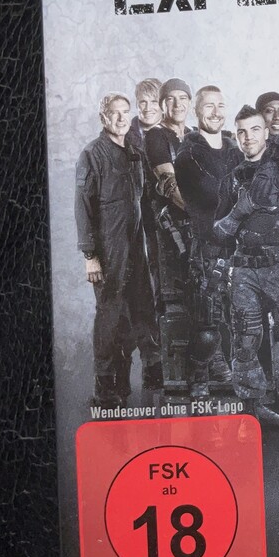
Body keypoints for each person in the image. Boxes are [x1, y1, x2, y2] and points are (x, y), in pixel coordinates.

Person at [75, 94, 160, 407]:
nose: (122, 118)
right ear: (103, 118)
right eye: (115, 113)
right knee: (110, 315)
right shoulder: (92, 155)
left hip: (135, 245)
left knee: (141, 309)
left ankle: (128, 380)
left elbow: (143, 201)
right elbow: (82, 208)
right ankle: (105, 386)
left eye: (126, 112)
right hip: (109, 248)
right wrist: (90, 256)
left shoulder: (134, 152)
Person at [215, 105, 279, 416]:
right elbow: (218, 232)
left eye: (255, 130)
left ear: (266, 132)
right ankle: (253, 410)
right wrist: (239, 212)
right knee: (245, 338)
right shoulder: (232, 179)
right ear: (236, 137)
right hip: (244, 269)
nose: (248, 137)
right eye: (242, 132)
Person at [175, 86, 239, 396]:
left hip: (239, 246)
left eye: (220, 105)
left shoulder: (236, 149)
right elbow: (213, 196)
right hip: (207, 248)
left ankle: (221, 363)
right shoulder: (188, 155)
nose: (215, 112)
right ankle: (198, 374)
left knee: (238, 317)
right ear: (197, 112)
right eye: (209, 106)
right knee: (207, 320)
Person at [144, 78, 196, 391]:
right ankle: (174, 380)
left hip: (197, 232)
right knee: (173, 302)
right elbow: (170, 184)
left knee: (201, 300)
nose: (177, 104)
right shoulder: (155, 136)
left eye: (183, 98)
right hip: (170, 234)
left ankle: (199, 375)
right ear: (162, 103)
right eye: (170, 99)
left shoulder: (195, 135)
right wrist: (204, 213)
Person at [126, 77, 163, 297]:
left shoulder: (177, 133)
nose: (148, 108)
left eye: (154, 101)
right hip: (134, 217)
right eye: (142, 102)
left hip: (165, 215)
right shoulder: (122, 137)